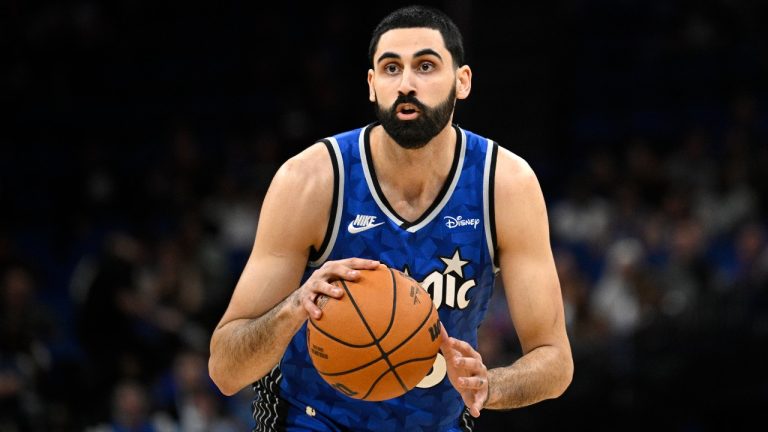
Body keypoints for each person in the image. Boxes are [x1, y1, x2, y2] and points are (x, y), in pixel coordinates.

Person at [209, 5, 573, 431]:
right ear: (371, 85)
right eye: (390, 68)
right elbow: (225, 370)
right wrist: (294, 307)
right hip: (313, 421)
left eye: (425, 66)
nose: (406, 84)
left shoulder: (504, 185)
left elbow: (555, 362)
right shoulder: (312, 180)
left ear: (462, 81)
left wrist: (487, 386)